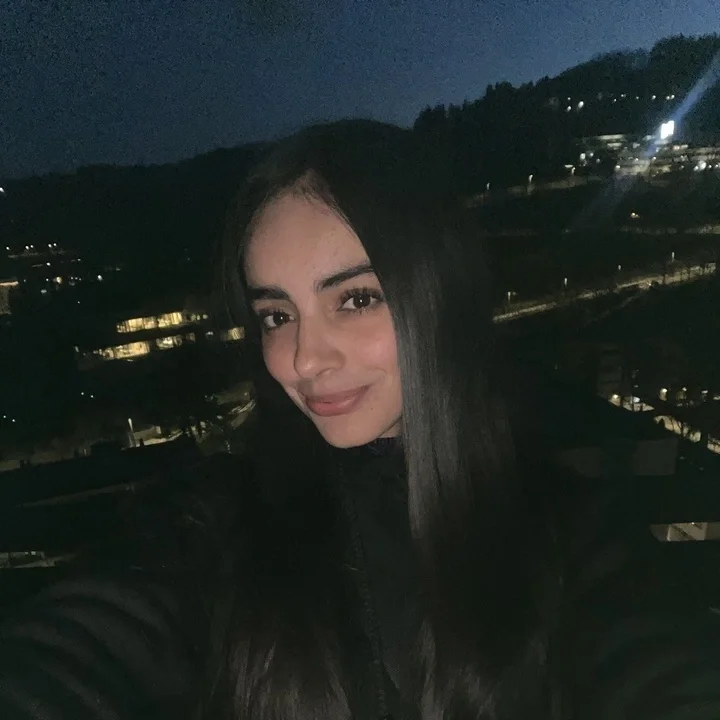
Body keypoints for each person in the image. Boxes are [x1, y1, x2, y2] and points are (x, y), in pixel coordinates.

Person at [1, 120, 719, 720]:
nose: (304, 359)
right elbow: (73, 654)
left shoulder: (574, 530)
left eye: (354, 299)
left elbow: (655, 665)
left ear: (436, 296)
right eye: (276, 315)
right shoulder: (213, 523)